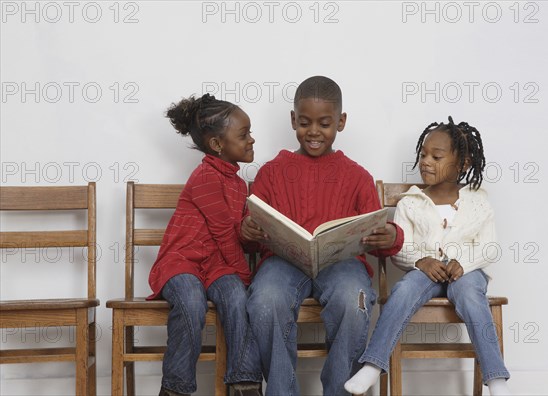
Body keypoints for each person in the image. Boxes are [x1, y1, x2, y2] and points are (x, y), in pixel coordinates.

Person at [241, 76, 404, 396]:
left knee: (352, 299)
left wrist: (391, 237)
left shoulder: (357, 176)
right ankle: (280, 390)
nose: (314, 131)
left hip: (342, 262)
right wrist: (248, 230)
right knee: (265, 299)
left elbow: (378, 237)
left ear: (341, 122)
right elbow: (251, 236)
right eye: (304, 123)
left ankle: (340, 391)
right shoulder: (272, 172)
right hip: (282, 262)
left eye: (324, 123)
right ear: (293, 120)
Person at [345, 117, 511, 395]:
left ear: (463, 164)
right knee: (403, 289)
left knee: (471, 295)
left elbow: (490, 247)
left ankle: (496, 379)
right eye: (423, 155)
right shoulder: (411, 202)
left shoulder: (477, 201)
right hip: (425, 273)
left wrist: (464, 264)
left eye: (436, 156)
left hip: (466, 274)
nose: (426, 161)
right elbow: (401, 248)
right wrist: (421, 261)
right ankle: (373, 365)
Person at [147, 94, 262, 396]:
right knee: (191, 301)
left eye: (250, 132)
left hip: (215, 266)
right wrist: (248, 278)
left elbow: (238, 240)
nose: (251, 139)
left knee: (238, 298)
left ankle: (244, 382)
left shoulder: (238, 184)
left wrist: (250, 236)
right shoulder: (205, 178)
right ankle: (176, 388)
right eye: (243, 134)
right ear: (217, 145)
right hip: (181, 263)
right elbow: (224, 235)